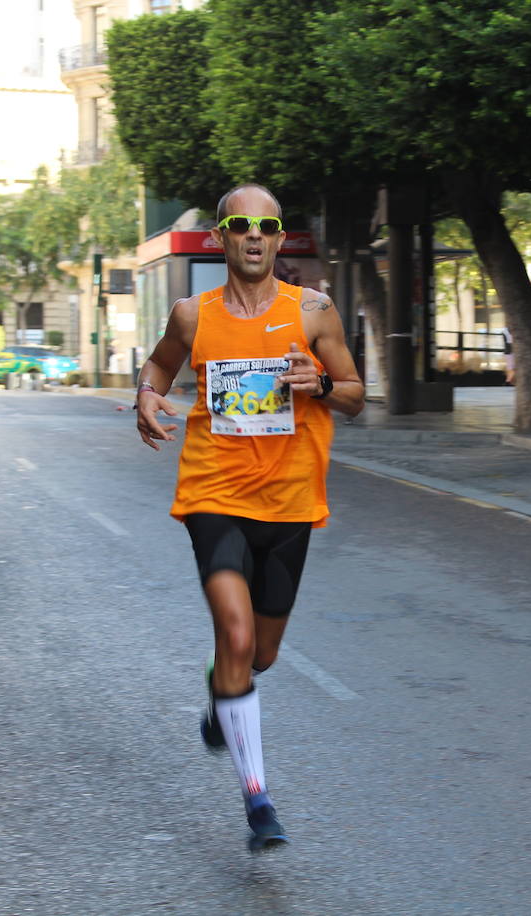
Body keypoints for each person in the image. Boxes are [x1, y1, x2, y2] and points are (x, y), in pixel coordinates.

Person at [134, 183, 365, 851]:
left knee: (258, 654)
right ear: (220, 238)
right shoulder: (191, 314)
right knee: (235, 634)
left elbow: (353, 395)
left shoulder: (315, 311)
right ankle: (257, 798)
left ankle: (221, 689)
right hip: (214, 493)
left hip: (291, 500)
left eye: (268, 225)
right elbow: (159, 367)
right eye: (241, 225)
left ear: (280, 235)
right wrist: (146, 395)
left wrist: (319, 384)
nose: (255, 235)